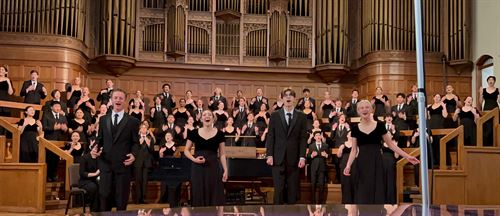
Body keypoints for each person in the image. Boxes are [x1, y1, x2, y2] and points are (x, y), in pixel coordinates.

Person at [343, 100, 419, 204]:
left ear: (371, 110)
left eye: (367, 107)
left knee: (378, 192)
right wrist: (348, 165)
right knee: (362, 194)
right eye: (361, 108)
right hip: (361, 164)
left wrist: (407, 156)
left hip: (377, 162)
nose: (364, 109)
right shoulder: (355, 129)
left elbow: (391, 145)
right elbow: (354, 150)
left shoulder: (380, 126)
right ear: (358, 111)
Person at [94, 89, 141, 211]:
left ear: (124, 101)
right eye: (115, 98)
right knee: (104, 197)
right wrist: (95, 149)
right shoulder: (103, 119)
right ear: (111, 100)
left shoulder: (133, 121)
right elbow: (100, 140)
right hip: (106, 165)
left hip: (123, 165)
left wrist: (134, 155)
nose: (118, 100)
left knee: (121, 200)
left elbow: (136, 143)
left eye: (121, 98)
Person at [266, 88, 307, 204]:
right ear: (282, 98)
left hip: (294, 159)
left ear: (294, 99)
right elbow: (270, 137)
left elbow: (303, 139)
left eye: (290, 95)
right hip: (277, 158)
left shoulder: (301, 116)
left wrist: (302, 157)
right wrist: (269, 155)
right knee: (278, 191)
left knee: (292, 191)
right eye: (286, 95)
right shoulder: (274, 116)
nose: (288, 97)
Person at [184, 110, 228, 206]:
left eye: (209, 114)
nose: (207, 116)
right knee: (198, 191)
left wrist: (225, 170)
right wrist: (194, 159)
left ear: (213, 118)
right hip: (197, 167)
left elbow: (222, 154)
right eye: (204, 115)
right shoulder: (193, 132)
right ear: (201, 118)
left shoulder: (220, 134)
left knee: (215, 193)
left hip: (213, 167)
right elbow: (186, 150)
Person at [134, 124, 155, 204]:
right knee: (138, 180)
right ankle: (137, 199)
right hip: (138, 162)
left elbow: (152, 150)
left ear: (147, 130)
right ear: (139, 129)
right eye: (142, 127)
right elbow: (134, 149)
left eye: (145, 128)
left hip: (146, 163)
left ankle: (143, 198)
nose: (143, 129)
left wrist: (149, 144)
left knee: (145, 181)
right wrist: (139, 143)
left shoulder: (150, 138)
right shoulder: (136, 138)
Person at [308, 131, 329, 204]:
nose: (318, 137)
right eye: (316, 135)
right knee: (313, 184)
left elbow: (329, 156)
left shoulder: (325, 145)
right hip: (313, 167)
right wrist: (311, 156)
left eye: (319, 135)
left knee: (321, 185)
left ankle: (321, 201)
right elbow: (308, 156)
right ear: (314, 137)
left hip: (322, 167)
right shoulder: (311, 146)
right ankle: (313, 201)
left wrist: (326, 155)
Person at [79, 144, 101, 212]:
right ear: (91, 148)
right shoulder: (84, 157)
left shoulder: (99, 158)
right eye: (94, 148)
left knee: (103, 186)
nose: (95, 149)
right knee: (94, 187)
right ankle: (94, 211)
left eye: (97, 149)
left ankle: (102, 210)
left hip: (96, 180)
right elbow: (82, 173)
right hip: (85, 181)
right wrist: (95, 174)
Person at [337, 131, 356, 204]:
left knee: (353, 181)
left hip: (353, 164)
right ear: (347, 135)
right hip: (344, 163)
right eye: (350, 134)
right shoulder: (343, 144)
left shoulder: (356, 144)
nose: (351, 135)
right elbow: (338, 155)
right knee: (345, 182)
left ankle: (354, 201)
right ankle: (346, 201)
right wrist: (340, 149)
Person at [480, 76, 498, 146]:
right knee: (487, 125)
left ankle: (495, 143)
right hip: (486, 108)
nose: (491, 81)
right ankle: (486, 143)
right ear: (487, 81)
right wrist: (481, 93)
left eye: (492, 80)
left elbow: (499, 100)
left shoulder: (497, 89)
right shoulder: (484, 90)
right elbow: (480, 102)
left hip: (495, 107)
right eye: (489, 80)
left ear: (494, 81)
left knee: (495, 124)